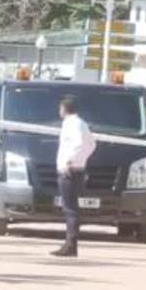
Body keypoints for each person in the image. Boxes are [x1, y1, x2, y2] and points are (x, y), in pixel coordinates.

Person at [52, 95, 96, 258]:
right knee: (72, 208)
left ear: (64, 108)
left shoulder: (72, 124)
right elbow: (91, 144)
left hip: (70, 171)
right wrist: (82, 159)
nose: (59, 110)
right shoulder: (81, 123)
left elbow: (79, 143)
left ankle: (71, 245)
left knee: (70, 209)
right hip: (77, 169)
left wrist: (71, 160)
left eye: (60, 108)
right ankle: (69, 243)